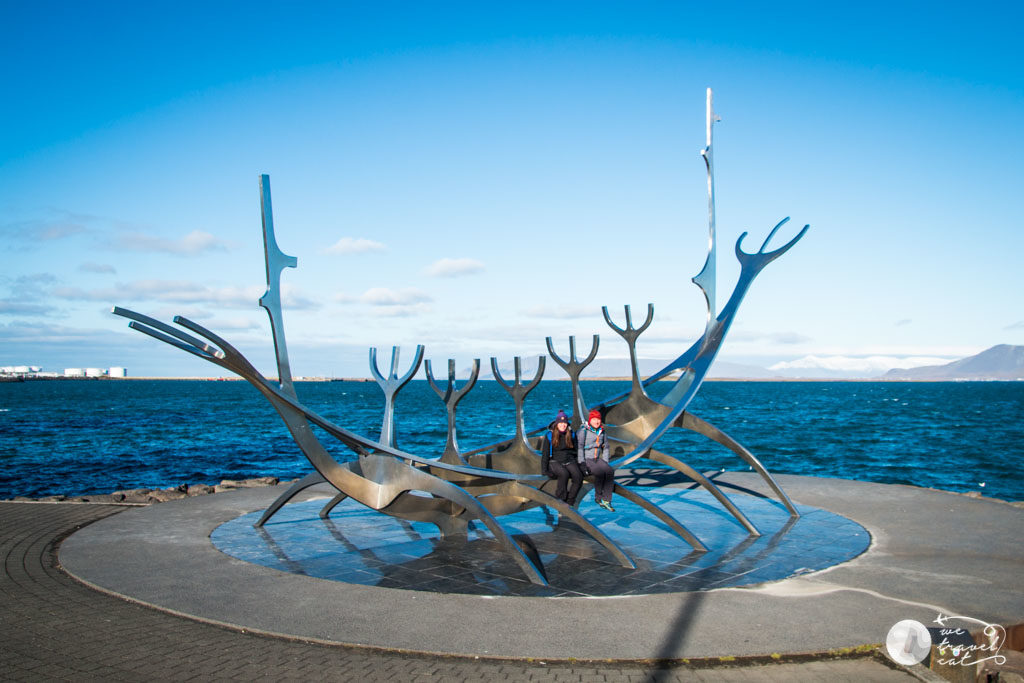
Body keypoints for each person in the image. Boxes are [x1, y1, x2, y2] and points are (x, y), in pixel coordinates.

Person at [540, 410, 583, 505]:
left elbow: (576, 450)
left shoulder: (571, 434)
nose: (563, 425)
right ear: (557, 423)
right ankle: (561, 499)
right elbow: (545, 454)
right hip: (555, 461)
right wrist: (544, 470)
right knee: (564, 474)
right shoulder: (550, 436)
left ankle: (570, 500)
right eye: (560, 423)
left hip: (569, 460)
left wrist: (580, 463)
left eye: (564, 423)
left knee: (578, 476)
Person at [578, 408, 615, 511]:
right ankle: (598, 497)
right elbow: (579, 447)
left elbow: (606, 447)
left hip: (597, 458)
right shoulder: (583, 432)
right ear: (590, 420)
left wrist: (605, 462)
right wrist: (581, 463)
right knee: (599, 473)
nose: (597, 421)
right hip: (587, 459)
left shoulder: (602, 432)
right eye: (594, 419)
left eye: (598, 419)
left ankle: (606, 499)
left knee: (609, 471)